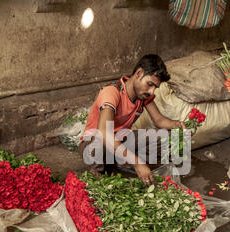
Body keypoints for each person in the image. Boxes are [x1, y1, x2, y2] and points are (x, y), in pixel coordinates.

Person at [78, 54, 186, 186]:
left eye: (155, 88)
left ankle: (121, 161)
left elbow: (159, 120)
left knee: (164, 135)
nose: (151, 91)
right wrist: (137, 162)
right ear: (139, 73)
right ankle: (97, 171)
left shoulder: (143, 96)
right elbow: (104, 133)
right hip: (93, 146)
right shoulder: (112, 92)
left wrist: (177, 125)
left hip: (119, 141)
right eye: (150, 84)